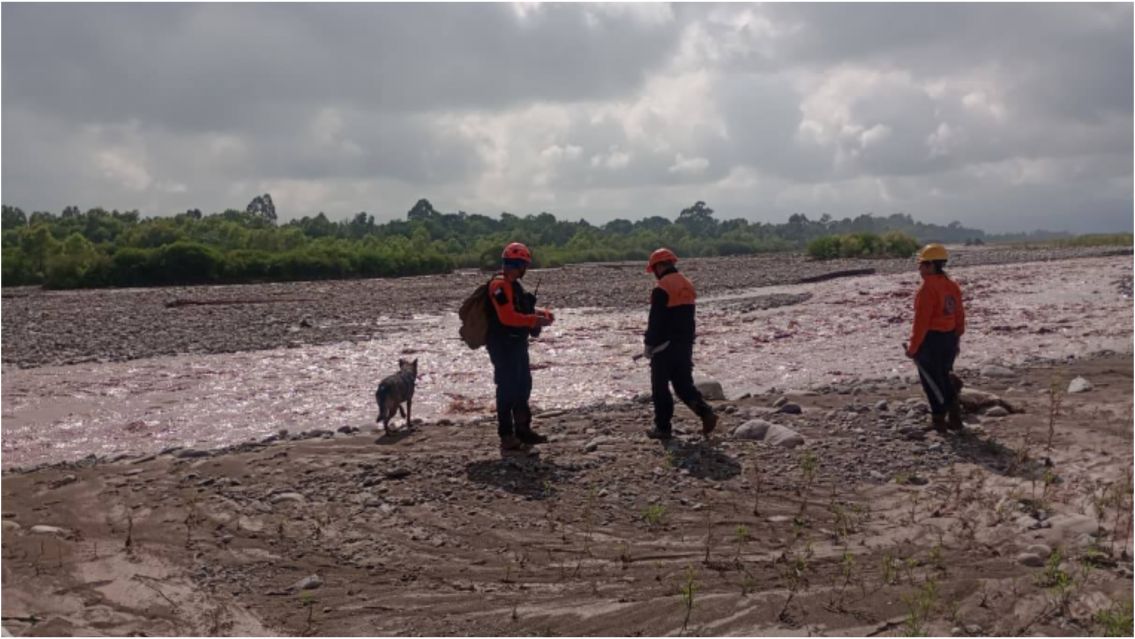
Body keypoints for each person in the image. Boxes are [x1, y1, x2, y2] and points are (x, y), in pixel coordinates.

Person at [643, 248, 718, 441]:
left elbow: (656, 320)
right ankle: (705, 412)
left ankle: (663, 428)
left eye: (654, 269)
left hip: (664, 346)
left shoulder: (662, 287)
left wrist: (649, 344)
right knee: (683, 385)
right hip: (685, 344)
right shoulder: (687, 283)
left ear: (659, 266)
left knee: (660, 388)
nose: (655, 274)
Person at [487, 242, 555, 453]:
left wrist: (541, 314)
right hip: (502, 344)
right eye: (524, 265)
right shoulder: (498, 286)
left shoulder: (514, 284)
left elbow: (519, 308)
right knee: (507, 388)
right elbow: (506, 316)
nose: (525, 269)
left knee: (523, 385)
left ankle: (523, 430)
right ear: (518, 265)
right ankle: (506, 435)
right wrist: (533, 321)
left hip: (517, 342)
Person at [906, 243, 966, 432]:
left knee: (931, 381)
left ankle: (939, 419)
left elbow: (921, 322)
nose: (919, 268)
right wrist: (957, 337)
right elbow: (959, 314)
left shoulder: (927, 289)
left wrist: (913, 347)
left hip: (931, 340)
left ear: (931, 265)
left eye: (922, 264)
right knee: (944, 375)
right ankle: (954, 415)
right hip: (949, 338)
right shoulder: (952, 285)